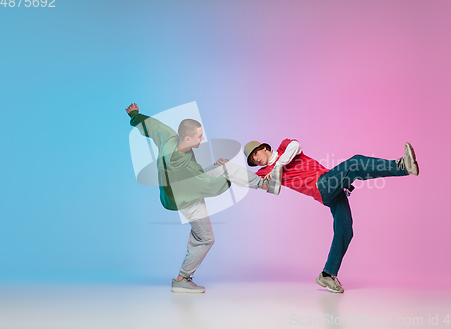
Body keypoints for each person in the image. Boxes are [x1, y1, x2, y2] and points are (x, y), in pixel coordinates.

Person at [125, 103, 280, 293]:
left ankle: (265, 185)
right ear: (188, 138)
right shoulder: (185, 170)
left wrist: (135, 116)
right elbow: (209, 187)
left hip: (188, 185)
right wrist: (228, 179)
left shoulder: (169, 137)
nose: (202, 138)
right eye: (199, 136)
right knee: (206, 238)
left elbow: (152, 126)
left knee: (225, 168)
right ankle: (182, 279)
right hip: (184, 198)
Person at [243, 139, 419, 293]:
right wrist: (226, 170)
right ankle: (402, 166)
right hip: (322, 187)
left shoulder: (283, 147)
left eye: (255, 154)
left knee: (345, 230)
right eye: (252, 160)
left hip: (329, 181)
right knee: (355, 163)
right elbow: (261, 185)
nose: (256, 160)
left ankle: (327, 274)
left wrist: (279, 166)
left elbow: (295, 146)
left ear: (264, 148)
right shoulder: (264, 172)